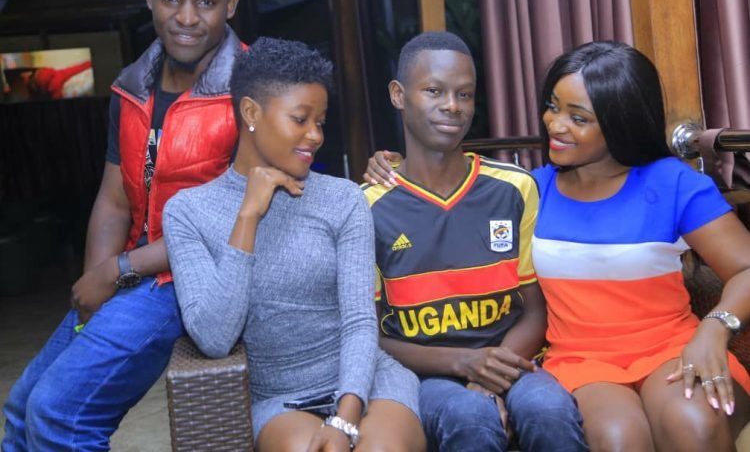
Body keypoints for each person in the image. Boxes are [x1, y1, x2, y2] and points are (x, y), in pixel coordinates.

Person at [366, 40, 750, 451]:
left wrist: (715, 328)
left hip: (673, 347)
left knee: (690, 422)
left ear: (620, 121)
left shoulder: (673, 183)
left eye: (577, 117)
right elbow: (445, 193)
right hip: (579, 359)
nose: (555, 124)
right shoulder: (529, 191)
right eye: (552, 107)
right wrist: (396, 167)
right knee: (618, 438)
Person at [3, 0, 243, 450]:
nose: (186, 17)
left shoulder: (253, 89)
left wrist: (118, 270)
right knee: (21, 409)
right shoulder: (131, 87)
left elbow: (240, 216)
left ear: (230, 5)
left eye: (205, 2)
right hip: (136, 268)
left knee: (58, 414)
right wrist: (97, 282)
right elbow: (114, 199)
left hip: (194, 277)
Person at [161, 36, 425, 451]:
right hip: (280, 400)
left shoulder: (342, 199)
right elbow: (214, 338)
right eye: (300, 119)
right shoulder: (188, 212)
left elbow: (360, 321)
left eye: (320, 121)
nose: (315, 135)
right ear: (251, 112)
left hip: (368, 385)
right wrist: (248, 216)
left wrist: (345, 417)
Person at [361, 31, 586, 452]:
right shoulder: (368, 206)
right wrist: (464, 363)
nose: (453, 105)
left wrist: (488, 375)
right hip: (425, 375)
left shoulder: (514, 188)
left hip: (511, 360)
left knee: (549, 411)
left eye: (464, 94)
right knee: (468, 417)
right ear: (398, 95)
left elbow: (535, 310)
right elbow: (368, 335)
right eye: (434, 91)